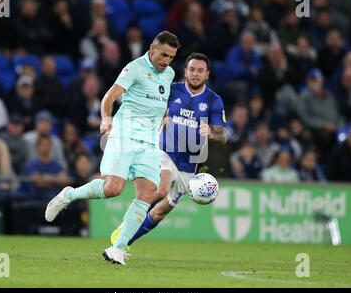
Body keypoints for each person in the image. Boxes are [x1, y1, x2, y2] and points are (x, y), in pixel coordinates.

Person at [45, 31, 180, 265]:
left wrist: (166, 116)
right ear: (152, 49)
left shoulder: (169, 74)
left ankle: (117, 248)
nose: (166, 61)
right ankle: (69, 194)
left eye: (171, 57)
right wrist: (106, 118)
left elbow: (160, 101)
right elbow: (109, 96)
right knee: (113, 189)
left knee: (148, 193)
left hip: (148, 141)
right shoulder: (134, 68)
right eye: (163, 55)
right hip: (124, 134)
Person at [110, 52, 227, 251]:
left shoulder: (214, 101)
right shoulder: (171, 90)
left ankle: (125, 241)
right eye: (192, 70)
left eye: (200, 71)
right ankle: (124, 233)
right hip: (163, 151)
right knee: (161, 189)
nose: (195, 74)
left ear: (207, 74)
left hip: (188, 166)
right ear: (185, 72)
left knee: (159, 213)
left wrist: (212, 133)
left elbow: (223, 135)